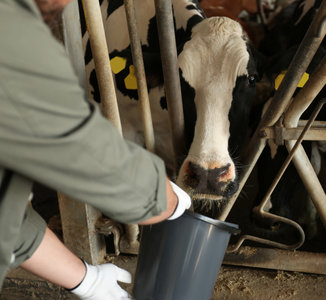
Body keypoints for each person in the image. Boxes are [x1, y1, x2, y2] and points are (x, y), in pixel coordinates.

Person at [0, 0, 191, 299]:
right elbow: (79, 146)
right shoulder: (9, 32)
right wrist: (164, 198)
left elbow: (4, 217)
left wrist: (86, 280)